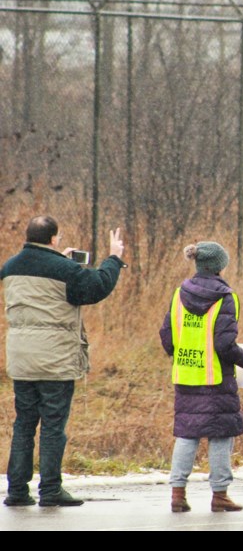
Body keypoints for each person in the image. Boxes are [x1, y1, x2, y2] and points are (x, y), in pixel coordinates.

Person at [2, 216, 125, 508]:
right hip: (55, 359)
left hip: (21, 358)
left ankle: (17, 491)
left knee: (24, 425)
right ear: (54, 239)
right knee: (53, 426)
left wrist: (64, 263)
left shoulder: (9, 267)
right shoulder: (64, 269)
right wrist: (114, 258)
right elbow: (98, 286)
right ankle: (51, 490)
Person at [159, 242, 243, 513]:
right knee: (221, 436)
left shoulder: (179, 293)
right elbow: (224, 344)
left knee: (187, 435)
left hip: (186, 376)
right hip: (216, 379)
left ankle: (177, 494)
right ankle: (220, 494)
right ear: (219, 266)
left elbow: (167, 336)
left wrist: (183, 353)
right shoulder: (226, 297)